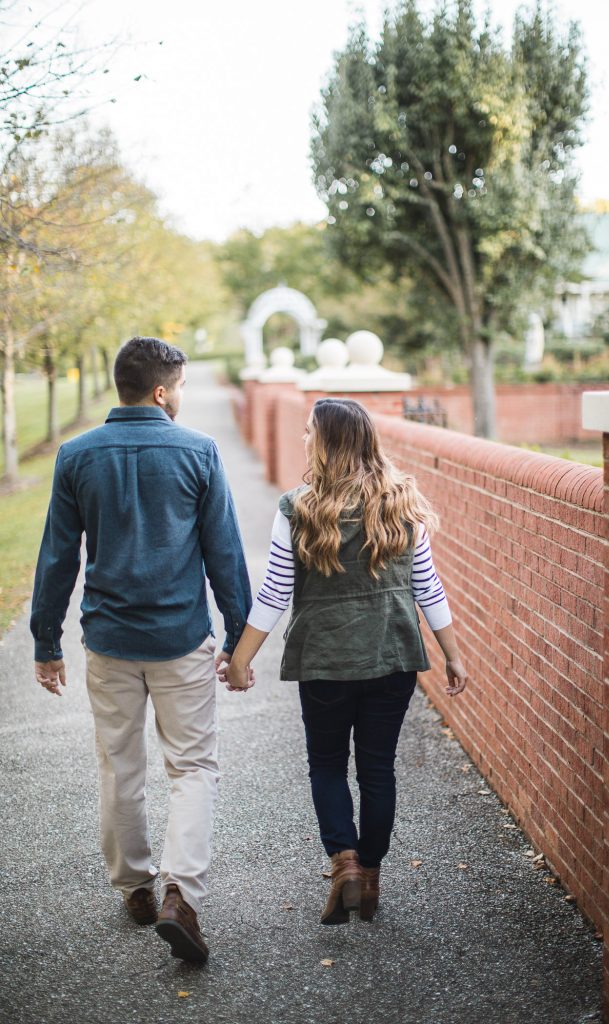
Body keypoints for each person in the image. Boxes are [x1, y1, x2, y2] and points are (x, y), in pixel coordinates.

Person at [31, 336, 251, 964]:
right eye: (179, 386)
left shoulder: (76, 455)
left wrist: (47, 642)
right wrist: (238, 640)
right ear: (161, 391)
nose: (182, 395)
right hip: (181, 640)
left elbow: (56, 557)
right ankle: (182, 893)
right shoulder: (199, 452)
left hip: (109, 640)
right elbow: (225, 555)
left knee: (120, 766)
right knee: (193, 768)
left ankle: (135, 888)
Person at [222, 397, 467, 924]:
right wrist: (453, 654)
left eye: (310, 432)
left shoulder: (299, 508)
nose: (304, 439)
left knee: (328, 764)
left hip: (326, 659)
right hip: (392, 655)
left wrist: (241, 660)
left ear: (329, 442)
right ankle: (370, 876)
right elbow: (427, 586)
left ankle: (346, 865)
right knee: (378, 768)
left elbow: (273, 593)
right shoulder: (403, 503)